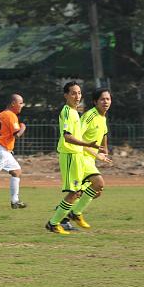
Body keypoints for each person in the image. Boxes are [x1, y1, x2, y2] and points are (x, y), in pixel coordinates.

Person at [45, 81, 100, 235]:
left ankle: (73, 213)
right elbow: (67, 137)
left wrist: (95, 152)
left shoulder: (75, 112)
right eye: (73, 93)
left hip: (78, 155)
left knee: (96, 184)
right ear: (66, 95)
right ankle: (54, 223)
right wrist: (87, 144)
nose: (77, 96)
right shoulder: (68, 112)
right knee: (74, 192)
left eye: (79, 93)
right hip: (70, 155)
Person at [63, 87, 112, 229]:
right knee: (97, 184)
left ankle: (64, 217)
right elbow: (77, 137)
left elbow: (103, 134)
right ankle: (72, 214)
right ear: (95, 102)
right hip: (81, 157)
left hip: (89, 159)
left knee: (93, 192)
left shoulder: (102, 117)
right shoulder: (90, 116)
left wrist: (105, 149)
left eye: (108, 99)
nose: (106, 102)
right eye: (102, 99)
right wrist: (97, 154)